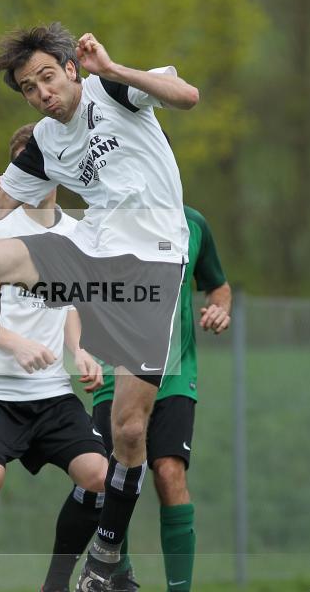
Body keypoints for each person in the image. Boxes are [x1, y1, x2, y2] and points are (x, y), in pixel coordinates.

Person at [0, 22, 199, 590]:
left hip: (152, 264)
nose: (42, 94)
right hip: (90, 250)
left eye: (48, 78)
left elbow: (186, 96)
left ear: (71, 69)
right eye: (30, 88)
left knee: (129, 432)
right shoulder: (44, 141)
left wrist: (113, 69)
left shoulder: (114, 90)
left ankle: (106, 556)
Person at [0, 124, 108, 592]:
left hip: (51, 393)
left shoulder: (77, 236)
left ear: (56, 168)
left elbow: (69, 306)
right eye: (20, 165)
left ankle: (55, 585)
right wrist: (14, 343)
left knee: (98, 476)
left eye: (37, 163)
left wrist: (78, 351)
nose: (30, 173)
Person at [92, 204, 231, 592]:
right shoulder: (100, 219)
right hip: (114, 371)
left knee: (169, 472)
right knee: (108, 476)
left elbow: (217, 284)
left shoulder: (193, 223)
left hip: (173, 372)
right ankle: (120, 578)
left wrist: (219, 308)